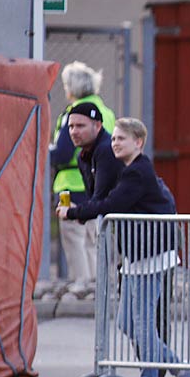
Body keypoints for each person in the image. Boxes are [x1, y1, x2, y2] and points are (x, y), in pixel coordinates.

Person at [58, 118, 190, 377]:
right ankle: (181, 367)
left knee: (144, 325)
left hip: (152, 256)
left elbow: (111, 204)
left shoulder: (138, 172)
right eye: (115, 138)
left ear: (138, 143)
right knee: (126, 323)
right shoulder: (128, 170)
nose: (116, 143)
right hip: (135, 256)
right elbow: (105, 198)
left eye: (122, 139)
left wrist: (74, 213)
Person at [48, 60, 115, 298]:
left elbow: (64, 152)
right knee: (93, 236)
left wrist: (45, 153)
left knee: (73, 235)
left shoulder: (74, 113)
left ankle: (82, 282)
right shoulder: (105, 111)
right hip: (98, 182)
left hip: (70, 183)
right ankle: (98, 283)